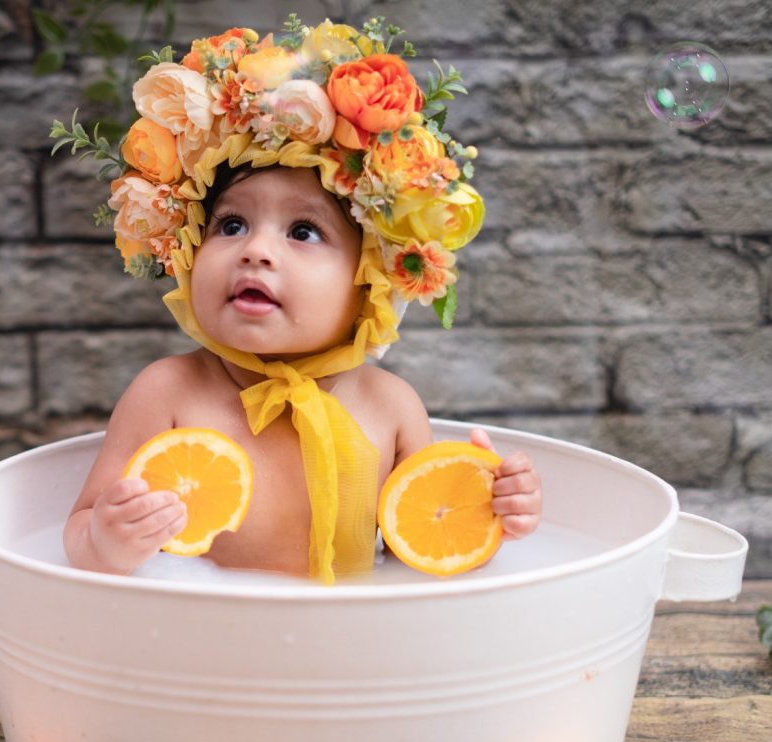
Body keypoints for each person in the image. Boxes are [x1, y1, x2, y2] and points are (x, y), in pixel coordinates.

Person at [60, 19, 541, 581]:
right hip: (205, 627)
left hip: (347, 632)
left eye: (304, 232)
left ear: (370, 280)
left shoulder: (391, 407)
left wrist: (492, 508)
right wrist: (107, 542)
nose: (256, 251)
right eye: (232, 224)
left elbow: (426, 543)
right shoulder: (167, 393)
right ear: (189, 248)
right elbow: (80, 532)